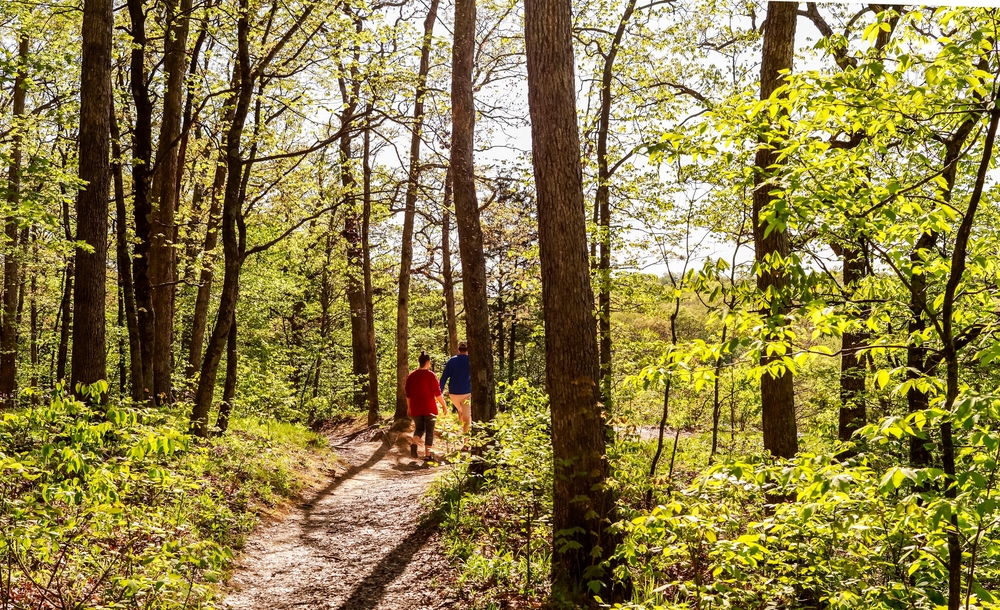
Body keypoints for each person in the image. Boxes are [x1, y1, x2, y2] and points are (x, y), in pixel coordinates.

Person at [405, 351, 447, 460]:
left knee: (419, 428)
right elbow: (437, 393)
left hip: (416, 408)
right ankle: (428, 456)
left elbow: (408, 394)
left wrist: (409, 407)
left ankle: (414, 443)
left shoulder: (411, 376)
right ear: (427, 362)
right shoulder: (431, 375)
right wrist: (444, 405)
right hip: (429, 408)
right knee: (429, 431)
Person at [439, 340, 471, 433]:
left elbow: (443, 378)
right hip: (467, 393)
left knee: (460, 410)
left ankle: (461, 430)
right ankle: (465, 443)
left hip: (453, 395)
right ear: (468, 349)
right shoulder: (471, 360)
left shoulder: (451, 361)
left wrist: (440, 392)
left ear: (458, 349)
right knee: (467, 417)